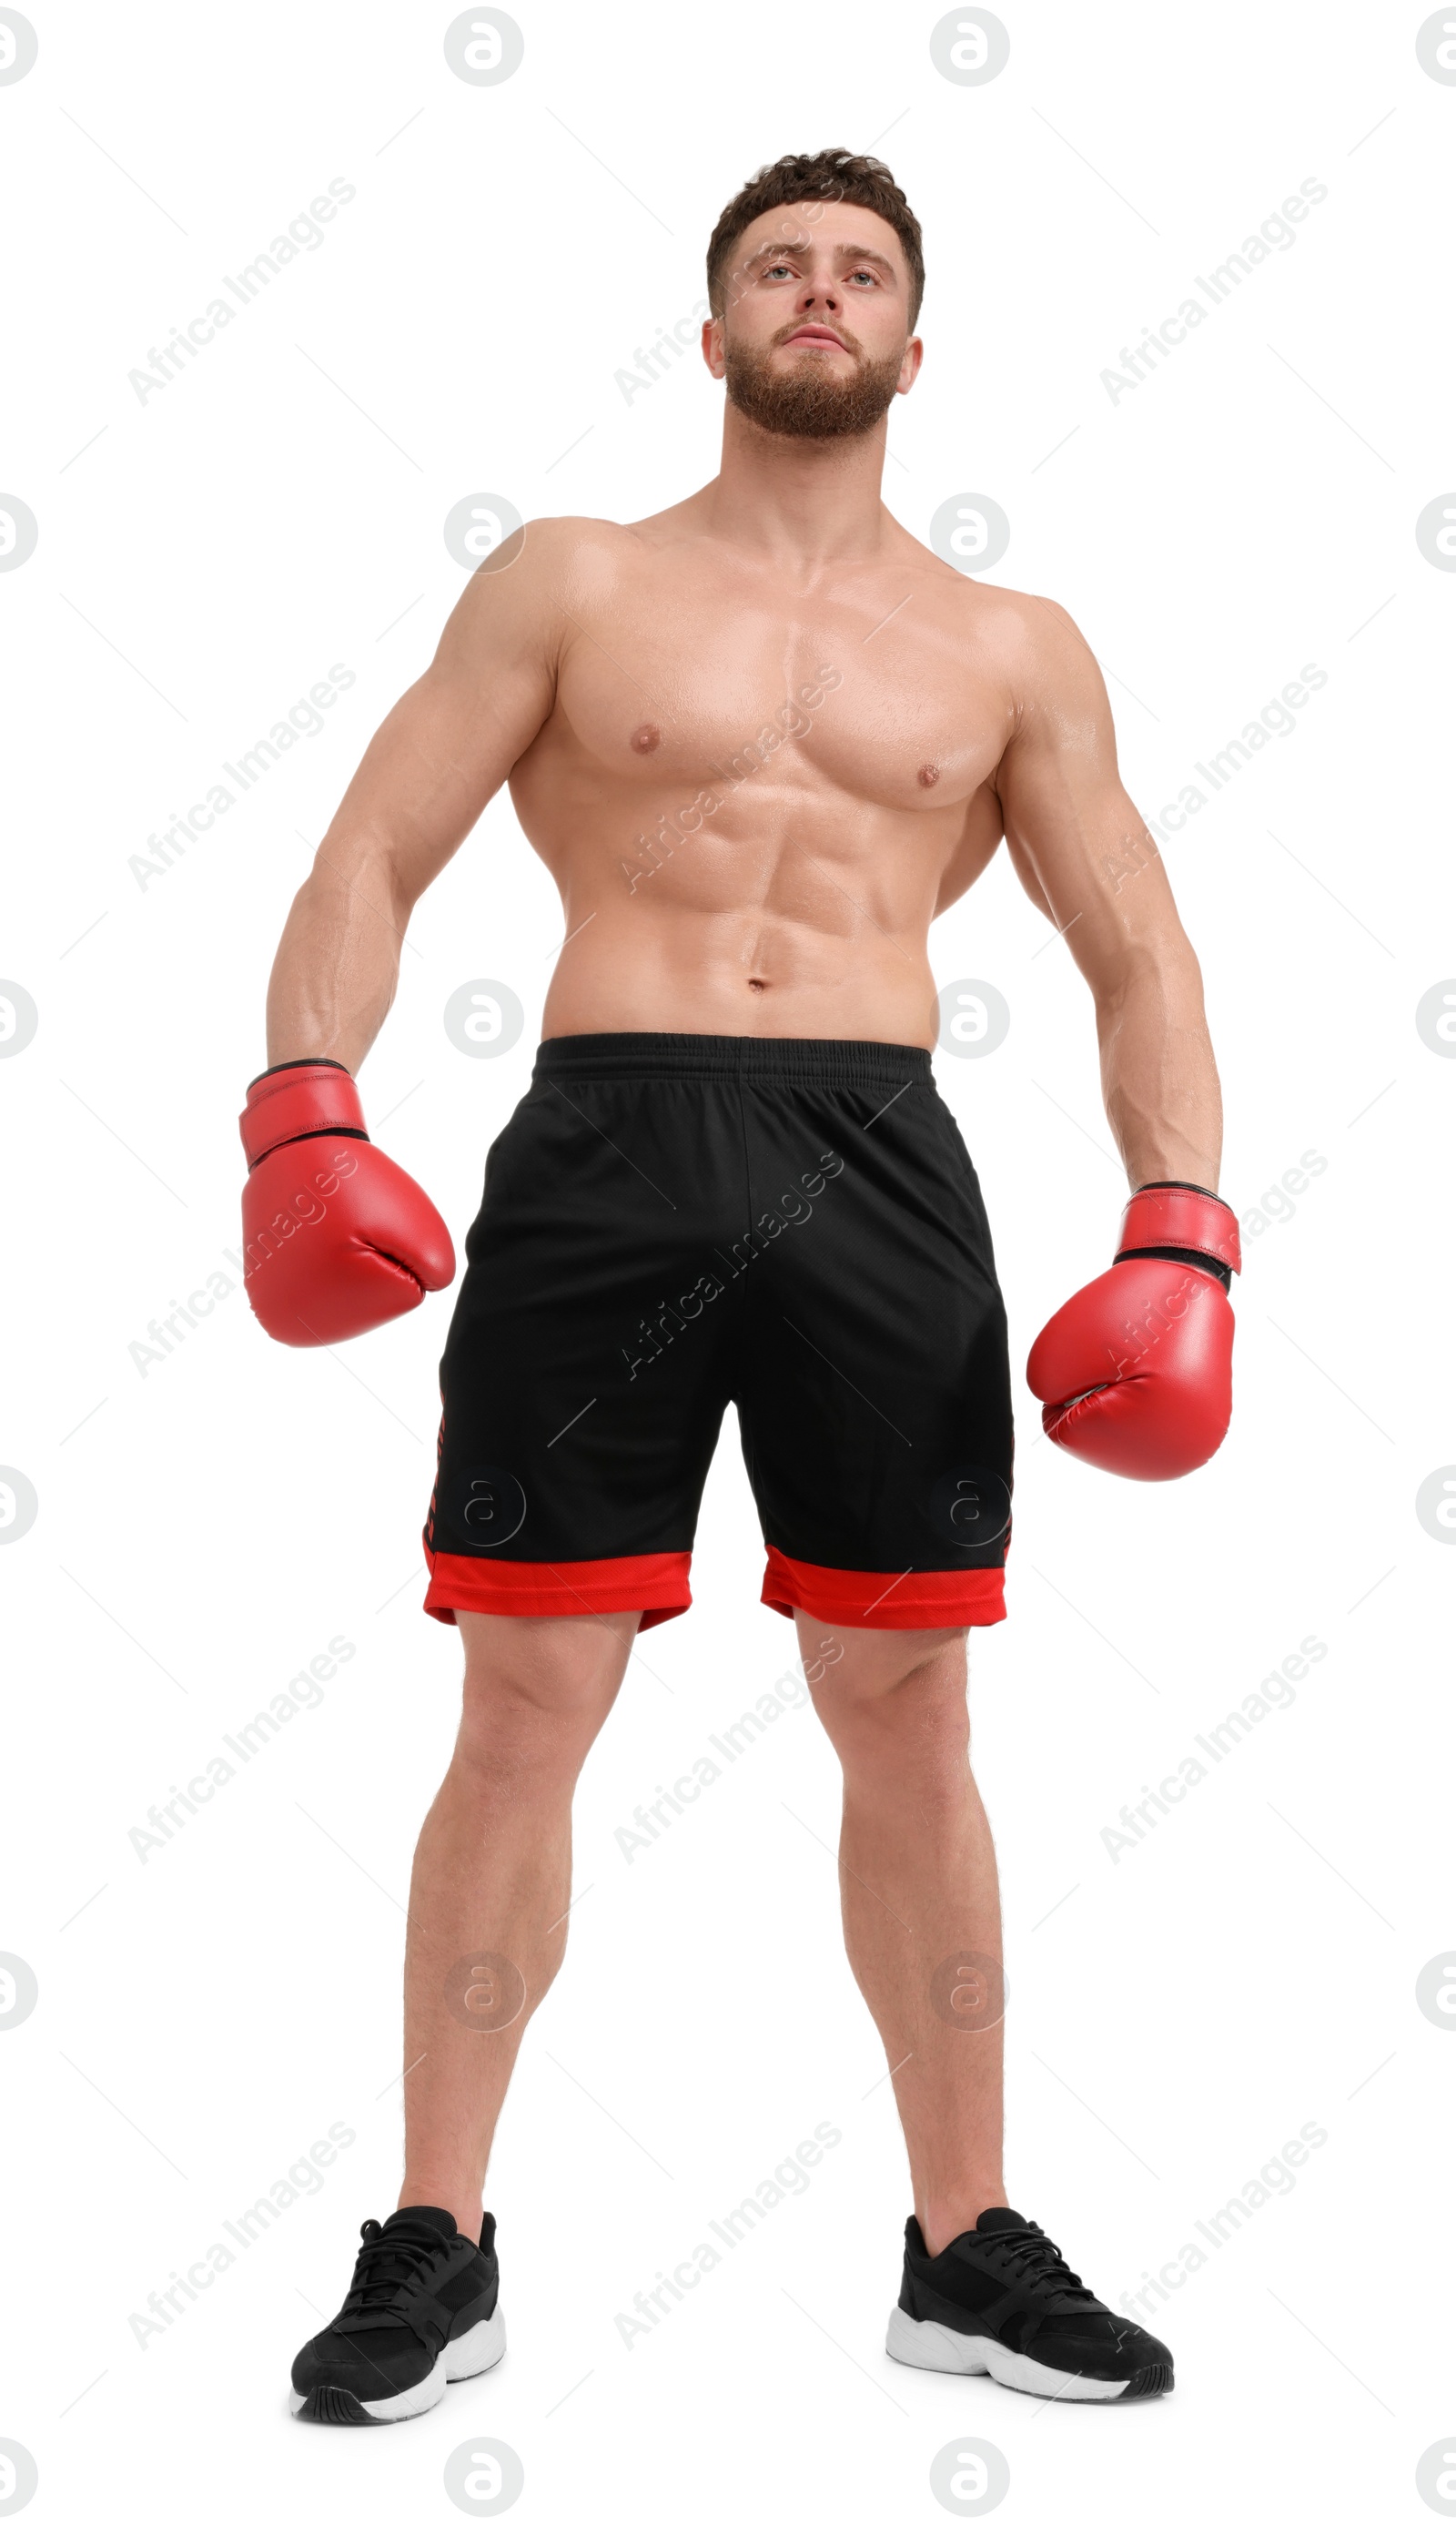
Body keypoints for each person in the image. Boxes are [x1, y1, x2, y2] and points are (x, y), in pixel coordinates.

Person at [241, 148, 1239, 2424]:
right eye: (777, 267)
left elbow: (1133, 946)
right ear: (711, 336)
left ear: (912, 342)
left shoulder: (1008, 647)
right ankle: (435, 2241)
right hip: (604, 1141)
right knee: (519, 1706)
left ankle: (965, 2247)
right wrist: (304, 1096)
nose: (818, 293)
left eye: (859, 269)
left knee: (913, 1720)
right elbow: (373, 843)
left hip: (874, 1159)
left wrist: (1176, 1216)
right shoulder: (570, 582)